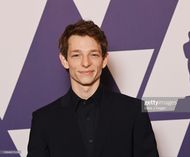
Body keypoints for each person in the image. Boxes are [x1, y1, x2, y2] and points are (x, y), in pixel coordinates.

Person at [27, 19, 159, 157]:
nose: (86, 63)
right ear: (64, 60)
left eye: (94, 55)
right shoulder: (43, 120)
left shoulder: (133, 112)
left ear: (104, 60)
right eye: (76, 55)